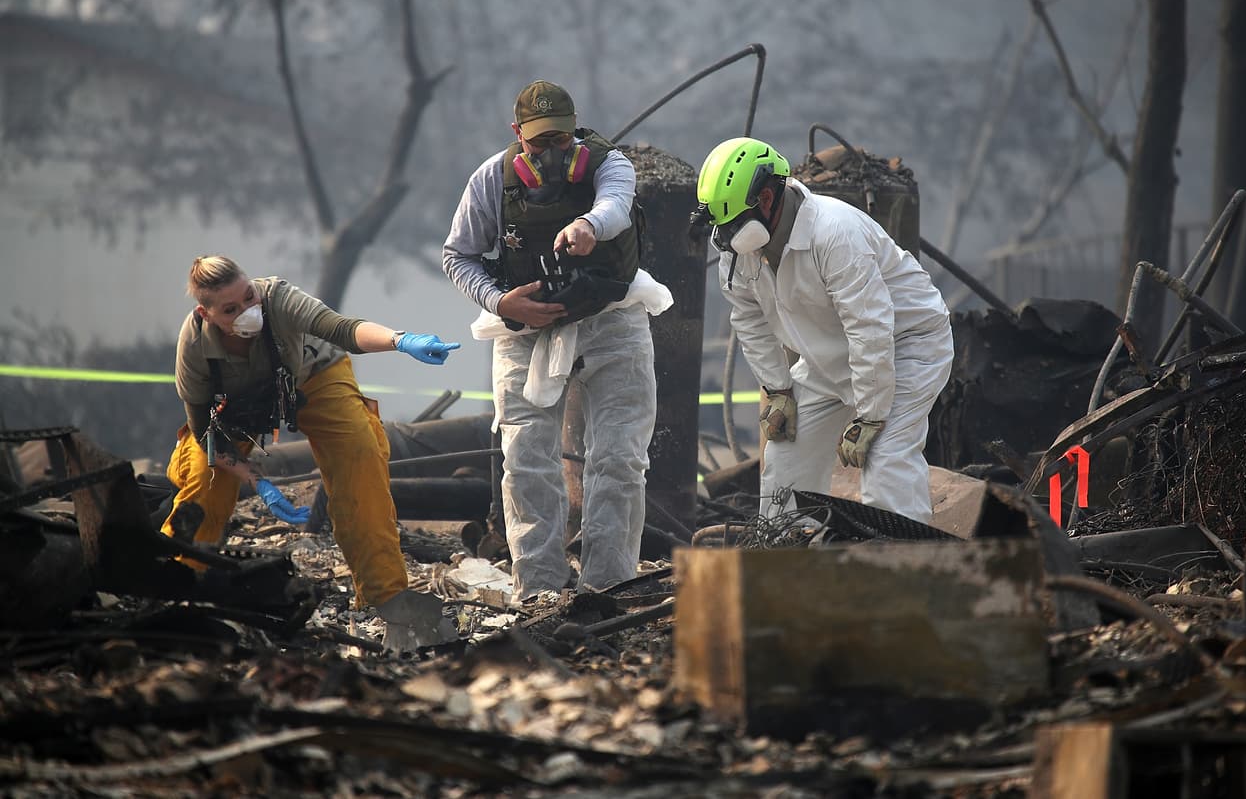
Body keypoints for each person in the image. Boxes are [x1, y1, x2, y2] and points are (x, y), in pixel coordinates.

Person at [442, 80, 672, 601]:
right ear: (517, 134)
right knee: (525, 457)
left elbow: (615, 204)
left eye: (561, 142)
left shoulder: (607, 165)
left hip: (612, 319)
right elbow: (458, 256)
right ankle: (539, 588)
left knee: (618, 457)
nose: (550, 155)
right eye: (538, 144)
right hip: (526, 327)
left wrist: (589, 224)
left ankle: (609, 585)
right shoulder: (490, 183)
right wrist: (502, 303)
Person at [162, 254, 462, 651]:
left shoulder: (279, 299)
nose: (248, 311)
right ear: (206, 312)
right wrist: (258, 482)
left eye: (249, 297)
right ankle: (178, 591)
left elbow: (342, 329)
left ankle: (388, 596)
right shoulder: (195, 347)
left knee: (360, 457)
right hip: (236, 409)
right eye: (231, 309)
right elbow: (207, 436)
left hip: (313, 378)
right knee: (204, 477)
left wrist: (400, 341)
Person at [695, 137, 954, 524]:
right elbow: (749, 321)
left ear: (766, 198)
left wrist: (870, 415)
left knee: (885, 460)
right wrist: (779, 390)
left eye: (733, 223)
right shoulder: (737, 251)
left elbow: (870, 327)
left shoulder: (834, 233)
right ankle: (789, 555)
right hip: (832, 354)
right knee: (785, 452)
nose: (727, 236)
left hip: (906, 345)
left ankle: (903, 567)